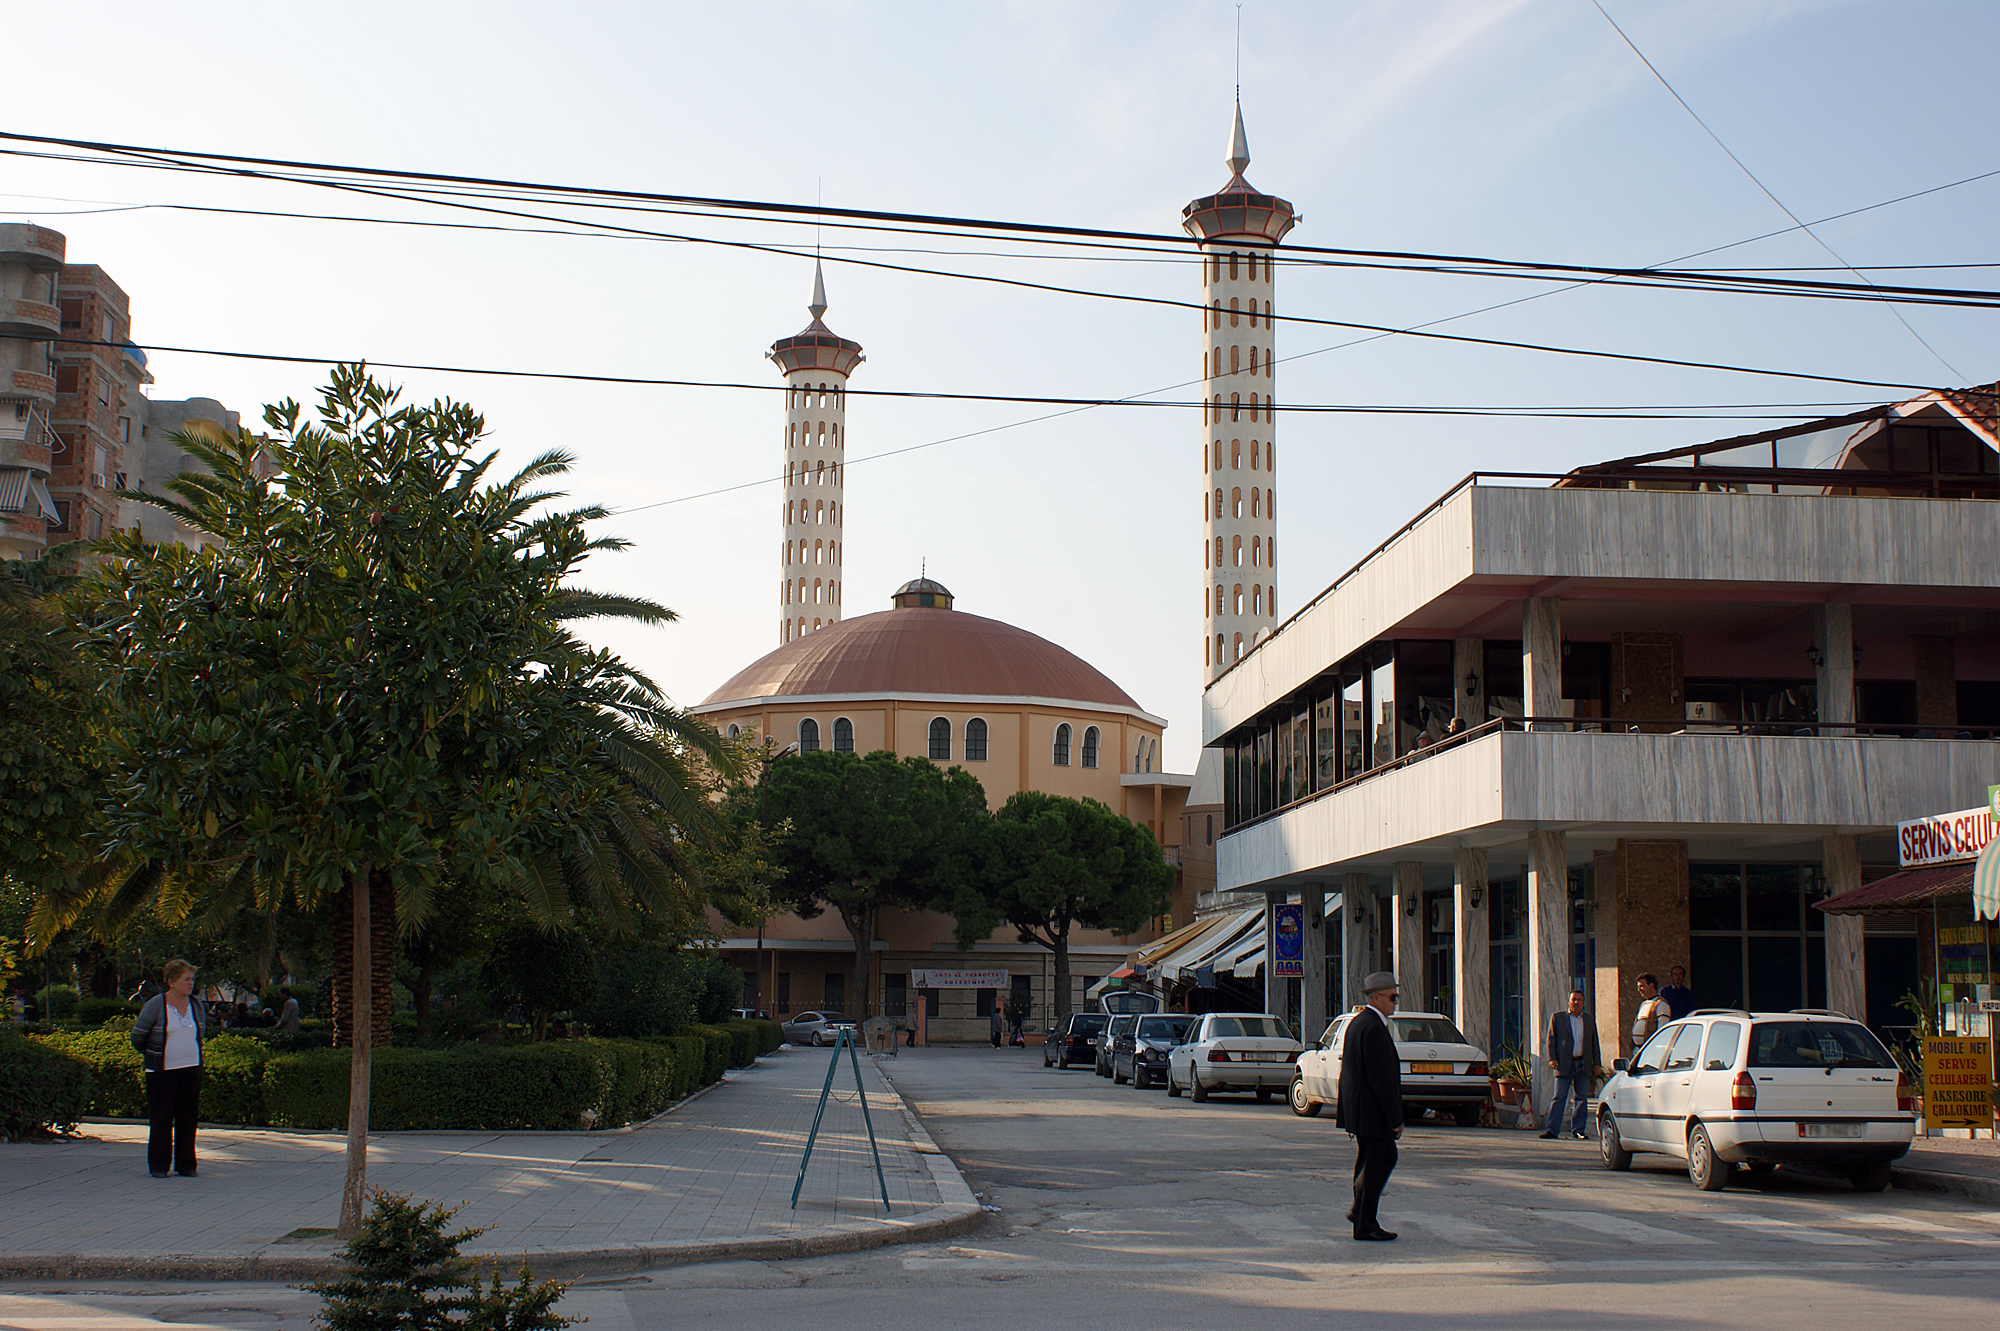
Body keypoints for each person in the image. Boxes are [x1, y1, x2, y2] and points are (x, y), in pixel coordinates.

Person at [1337, 971, 1404, 1242]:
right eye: (1392, 997)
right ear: (1376, 998)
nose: (1395, 1002)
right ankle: (1364, 1223)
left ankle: (1360, 1212)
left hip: (1363, 1111)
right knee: (1375, 1164)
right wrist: (1395, 1118)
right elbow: (1380, 1079)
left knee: (1379, 1160)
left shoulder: (1360, 1022)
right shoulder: (1373, 1028)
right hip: (1372, 1112)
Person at [129, 959, 207, 1179]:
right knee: (162, 1118)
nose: (190, 983)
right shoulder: (156, 1004)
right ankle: (159, 1165)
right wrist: (153, 1054)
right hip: (162, 1071)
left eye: (192, 979)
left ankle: (186, 1164)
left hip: (190, 1068)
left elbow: (200, 1033)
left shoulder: (196, 1004)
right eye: (186, 979)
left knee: (188, 1117)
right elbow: (138, 1037)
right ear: (172, 982)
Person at [1541, 989, 1601, 1140]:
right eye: (1573, 999)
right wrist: (1552, 1059)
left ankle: (1578, 1130)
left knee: (1581, 1098)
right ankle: (1552, 1129)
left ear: (1583, 1002)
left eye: (1579, 1000)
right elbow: (1551, 1040)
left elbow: (1594, 1042)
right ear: (1568, 1001)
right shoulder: (1558, 1018)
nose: (1576, 1002)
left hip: (1582, 1063)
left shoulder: (1588, 1020)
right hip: (1564, 1064)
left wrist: (1597, 1063)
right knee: (1559, 1097)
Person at [1630, 973, 1668, 1054]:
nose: (1639, 989)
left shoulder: (1661, 1004)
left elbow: (1662, 1030)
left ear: (1651, 985)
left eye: (1642, 986)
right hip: (1639, 1050)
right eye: (1638, 987)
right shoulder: (1643, 1004)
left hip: (1651, 1051)